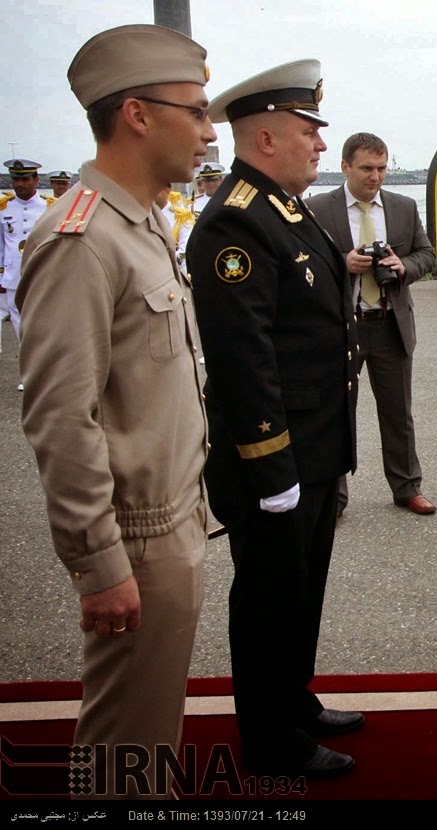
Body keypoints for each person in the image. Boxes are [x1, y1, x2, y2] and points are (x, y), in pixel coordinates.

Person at [15, 24, 213, 799]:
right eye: (194, 112)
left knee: (150, 732)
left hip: (173, 520)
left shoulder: (144, 222)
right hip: (134, 540)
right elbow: (61, 417)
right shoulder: (81, 238)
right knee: (124, 749)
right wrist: (98, 564)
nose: (206, 132)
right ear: (137, 113)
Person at [188, 59, 362, 779]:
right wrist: (272, 470)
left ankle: (293, 700)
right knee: (267, 601)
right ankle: (269, 742)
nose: (321, 145)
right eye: (308, 131)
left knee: (302, 589)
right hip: (277, 458)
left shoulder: (284, 210)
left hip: (313, 448)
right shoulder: (236, 221)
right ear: (264, 138)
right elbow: (244, 358)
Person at [306, 132, 437, 518]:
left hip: (389, 325)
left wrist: (403, 268)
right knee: (335, 414)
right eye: (366, 168)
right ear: (345, 167)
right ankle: (334, 498)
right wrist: (342, 265)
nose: (375, 177)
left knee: (399, 414)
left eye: (381, 168)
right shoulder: (316, 209)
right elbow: (302, 265)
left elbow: (426, 254)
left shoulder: (401, 207)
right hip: (340, 327)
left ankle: (407, 487)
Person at [1, 159, 53, 348]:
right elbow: (1, 244)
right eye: (16, 179)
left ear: (36, 180)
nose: (19, 184)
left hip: (41, 274)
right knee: (19, 326)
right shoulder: (4, 208)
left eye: (25, 179)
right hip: (13, 275)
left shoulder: (49, 207)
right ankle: (27, 374)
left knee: (44, 324)